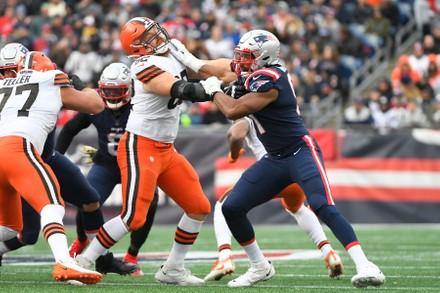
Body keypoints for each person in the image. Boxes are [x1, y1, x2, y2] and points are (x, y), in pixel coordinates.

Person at [171, 29, 385, 288]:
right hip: (274, 159)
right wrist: (189, 60)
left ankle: (366, 265)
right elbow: (222, 68)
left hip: (300, 151)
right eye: (241, 55)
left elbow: (233, 110)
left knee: (321, 205)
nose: (240, 61)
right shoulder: (253, 72)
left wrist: (214, 91)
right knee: (231, 207)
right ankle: (260, 266)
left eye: (246, 56)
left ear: (264, 57)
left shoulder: (272, 78)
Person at [75, 17, 211, 285]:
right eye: (150, 36)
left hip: (166, 148)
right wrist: (212, 89)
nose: (158, 37)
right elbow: (179, 89)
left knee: (198, 207)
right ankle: (83, 262)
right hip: (141, 145)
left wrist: (237, 75)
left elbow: (212, 69)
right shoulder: (143, 65)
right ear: (138, 47)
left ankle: (172, 268)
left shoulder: (172, 50)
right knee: (133, 217)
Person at [0, 43, 137, 276]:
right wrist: (75, 83)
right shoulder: (47, 79)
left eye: (11, 70)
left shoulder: (6, 86)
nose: (8, 76)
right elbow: (95, 105)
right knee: (31, 229)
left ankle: (101, 259)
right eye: (4, 71)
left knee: (90, 200)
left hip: (40, 154)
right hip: (23, 154)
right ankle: (64, 262)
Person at [205, 108, 343, 282]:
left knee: (224, 203)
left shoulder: (248, 112)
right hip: (296, 168)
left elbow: (237, 135)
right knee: (296, 208)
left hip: (275, 171)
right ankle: (328, 252)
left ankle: (225, 257)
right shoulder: (276, 109)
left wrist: (233, 154)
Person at [55, 62, 159, 277]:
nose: (111, 96)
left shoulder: (142, 103)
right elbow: (69, 130)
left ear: (130, 89)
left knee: (150, 202)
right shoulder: (95, 104)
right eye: (107, 91)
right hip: (106, 164)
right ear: (101, 89)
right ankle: (82, 239)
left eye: (117, 91)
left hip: (135, 164)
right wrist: (53, 157)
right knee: (87, 199)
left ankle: (132, 255)